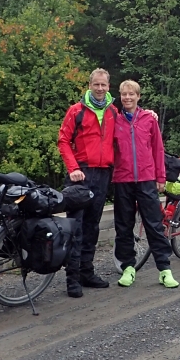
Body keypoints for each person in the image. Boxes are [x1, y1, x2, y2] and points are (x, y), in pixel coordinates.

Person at [112, 80, 179, 289]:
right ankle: (128, 268)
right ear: (120, 97)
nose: (128, 98)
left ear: (138, 97)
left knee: (154, 224)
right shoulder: (114, 119)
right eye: (124, 95)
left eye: (132, 94)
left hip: (146, 179)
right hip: (122, 179)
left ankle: (164, 269)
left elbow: (158, 149)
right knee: (123, 226)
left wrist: (161, 177)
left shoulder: (149, 119)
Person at [57, 68, 118, 297]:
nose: (100, 89)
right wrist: (73, 169)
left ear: (108, 87)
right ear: (89, 85)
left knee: (92, 225)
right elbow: (63, 141)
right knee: (75, 228)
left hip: (102, 174)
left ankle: (86, 272)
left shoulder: (113, 111)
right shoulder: (77, 110)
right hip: (80, 174)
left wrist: (149, 114)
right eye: (96, 85)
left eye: (104, 85)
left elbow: (127, 131)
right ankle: (72, 279)